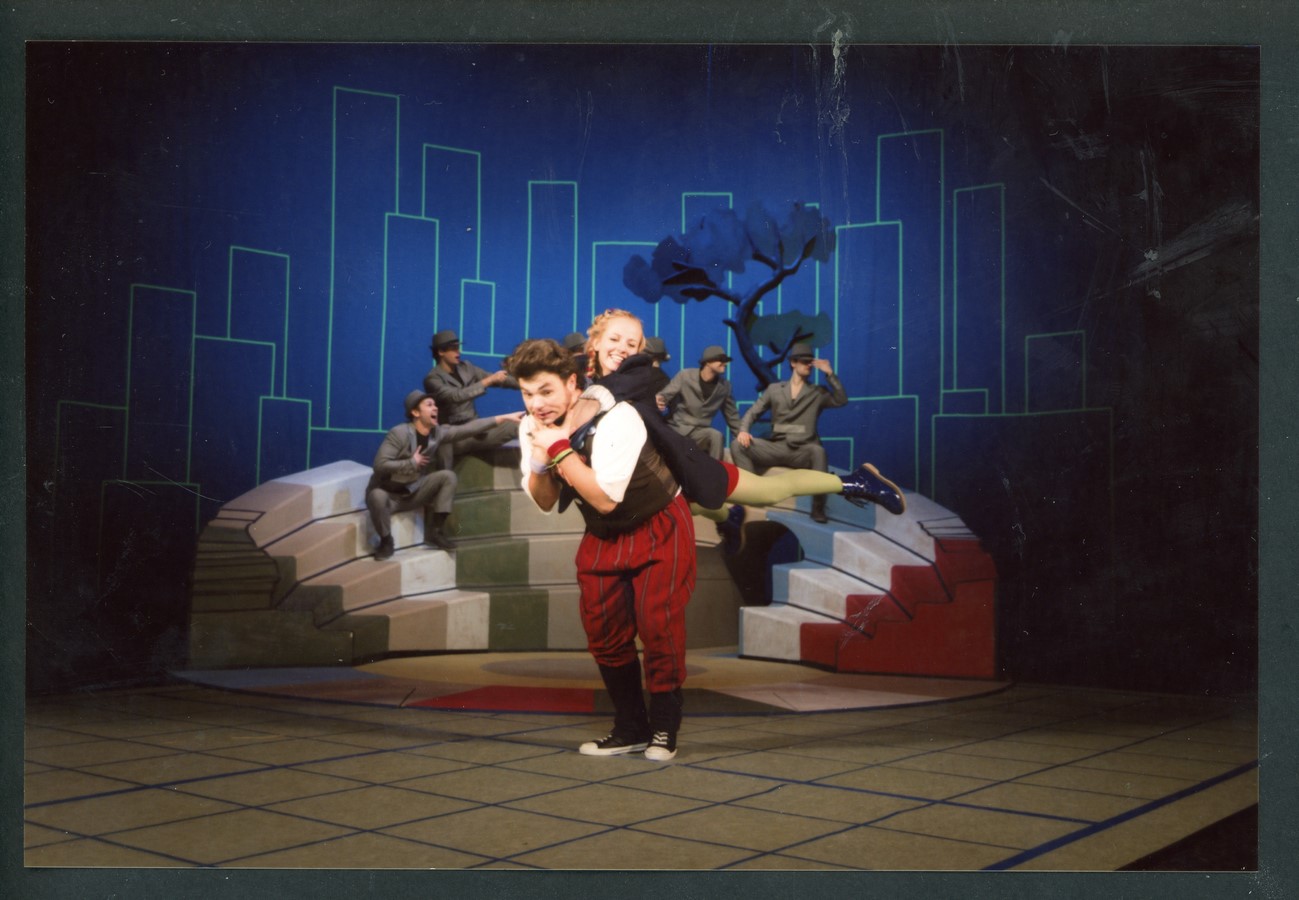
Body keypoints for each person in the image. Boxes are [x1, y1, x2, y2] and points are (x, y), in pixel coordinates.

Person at [509, 337, 694, 761]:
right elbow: (545, 500)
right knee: (604, 631)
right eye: (527, 393)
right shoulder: (533, 425)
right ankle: (631, 727)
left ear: (572, 383)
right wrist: (539, 459)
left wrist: (557, 448)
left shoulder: (617, 417)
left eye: (546, 391)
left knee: (658, 626)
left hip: (658, 523)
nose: (536, 404)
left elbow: (605, 499)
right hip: (605, 533)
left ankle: (664, 728)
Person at [573, 310, 907, 536]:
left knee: (770, 492)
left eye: (631, 344)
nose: (622, 348)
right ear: (596, 342)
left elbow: (602, 398)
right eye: (615, 339)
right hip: (649, 488)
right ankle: (729, 519)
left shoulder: (640, 376)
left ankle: (855, 482)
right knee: (702, 508)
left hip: (680, 467)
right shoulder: (582, 387)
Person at [731, 342, 887, 523]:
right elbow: (753, 412)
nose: (808, 366)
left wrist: (829, 374)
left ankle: (818, 509)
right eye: (804, 362)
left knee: (818, 451)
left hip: (802, 452)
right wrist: (743, 431)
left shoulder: (816, 392)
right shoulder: (775, 389)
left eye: (810, 362)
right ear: (793, 363)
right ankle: (753, 494)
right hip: (776, 447)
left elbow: (841, 400)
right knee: (737, 445)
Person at [366, 389, 522, 559]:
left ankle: (436, 531)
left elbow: (468, 429)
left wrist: (504, 418)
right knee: (377, 496)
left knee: (447, 476)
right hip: (389, 497)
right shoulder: (399, 433)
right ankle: (386, 541)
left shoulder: (437, 433)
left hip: (412, 492)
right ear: (415, 412)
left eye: (435, 405)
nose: (435, 408)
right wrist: (411, 462)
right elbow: (379, 465)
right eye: (429, 405)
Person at [423, 329, 520, 460]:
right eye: (453, 349)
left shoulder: (466, 367)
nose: (458, 352)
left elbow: (496, 379)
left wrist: (526, 384)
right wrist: (488, 381)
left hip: (477, 431)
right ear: (441, 352)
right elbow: (456, 396)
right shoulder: (433, 379)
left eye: (458, 348)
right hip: (455, 438)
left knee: (520, 422)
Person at [656, 344, 743, 461]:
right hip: (678, 429)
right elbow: (666, 394)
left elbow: (731, 415)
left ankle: (714, 471)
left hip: (700, 433)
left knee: (716, 436)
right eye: (721, 360)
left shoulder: (725, 386)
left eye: (726, 360)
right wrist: (660, 400)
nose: (725, 364)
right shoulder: (685, 376)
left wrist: (740, 433)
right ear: (708, 362)